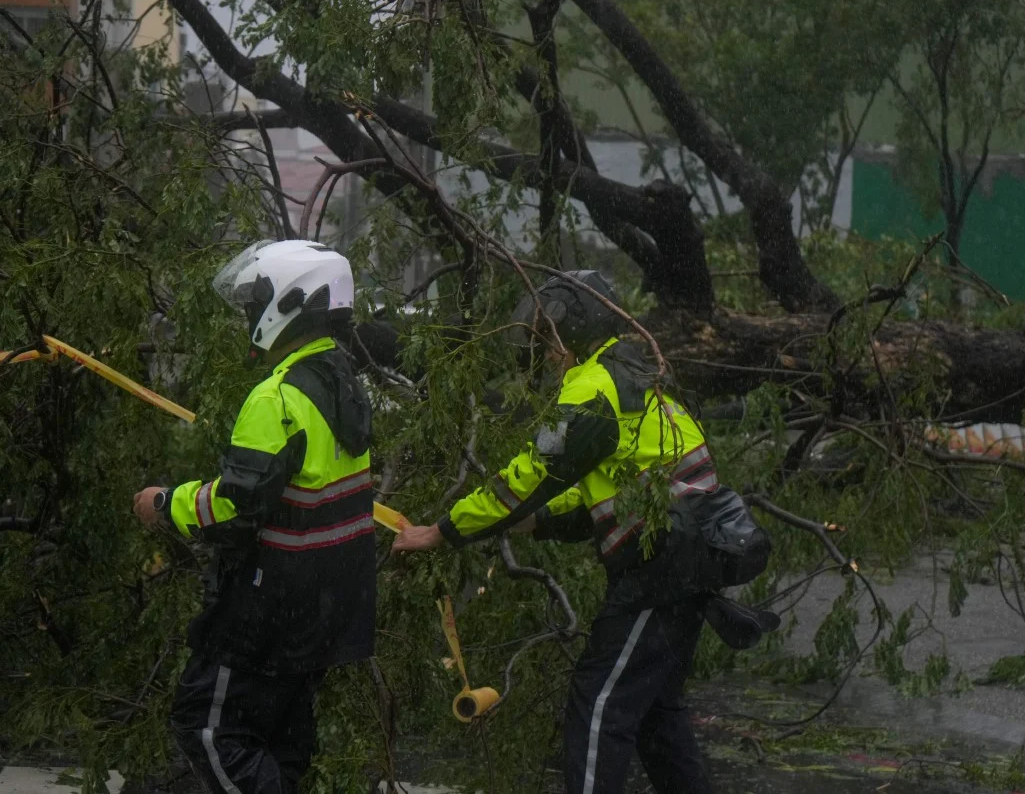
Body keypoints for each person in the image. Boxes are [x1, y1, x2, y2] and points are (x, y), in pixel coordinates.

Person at [394, 270, 775, 794]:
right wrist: (542, 520)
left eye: (547, 338)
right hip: (684, 558)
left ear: (574, 330)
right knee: (657, 717)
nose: (545, 352)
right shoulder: (637, 379)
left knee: (598, 709)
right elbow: (604, 487)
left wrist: (439, 531)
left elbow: (527, 476)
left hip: (656, 569)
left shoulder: (592, 391)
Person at [132, 239, 375, 794]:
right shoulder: (342, 380)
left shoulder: (279, 397)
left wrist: (165, 502)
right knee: (284, 745)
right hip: (329, 604)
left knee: (208, 729)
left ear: (288, 305)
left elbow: (236, 508)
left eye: (253, 303)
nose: (248, 316)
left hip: (268, 611)